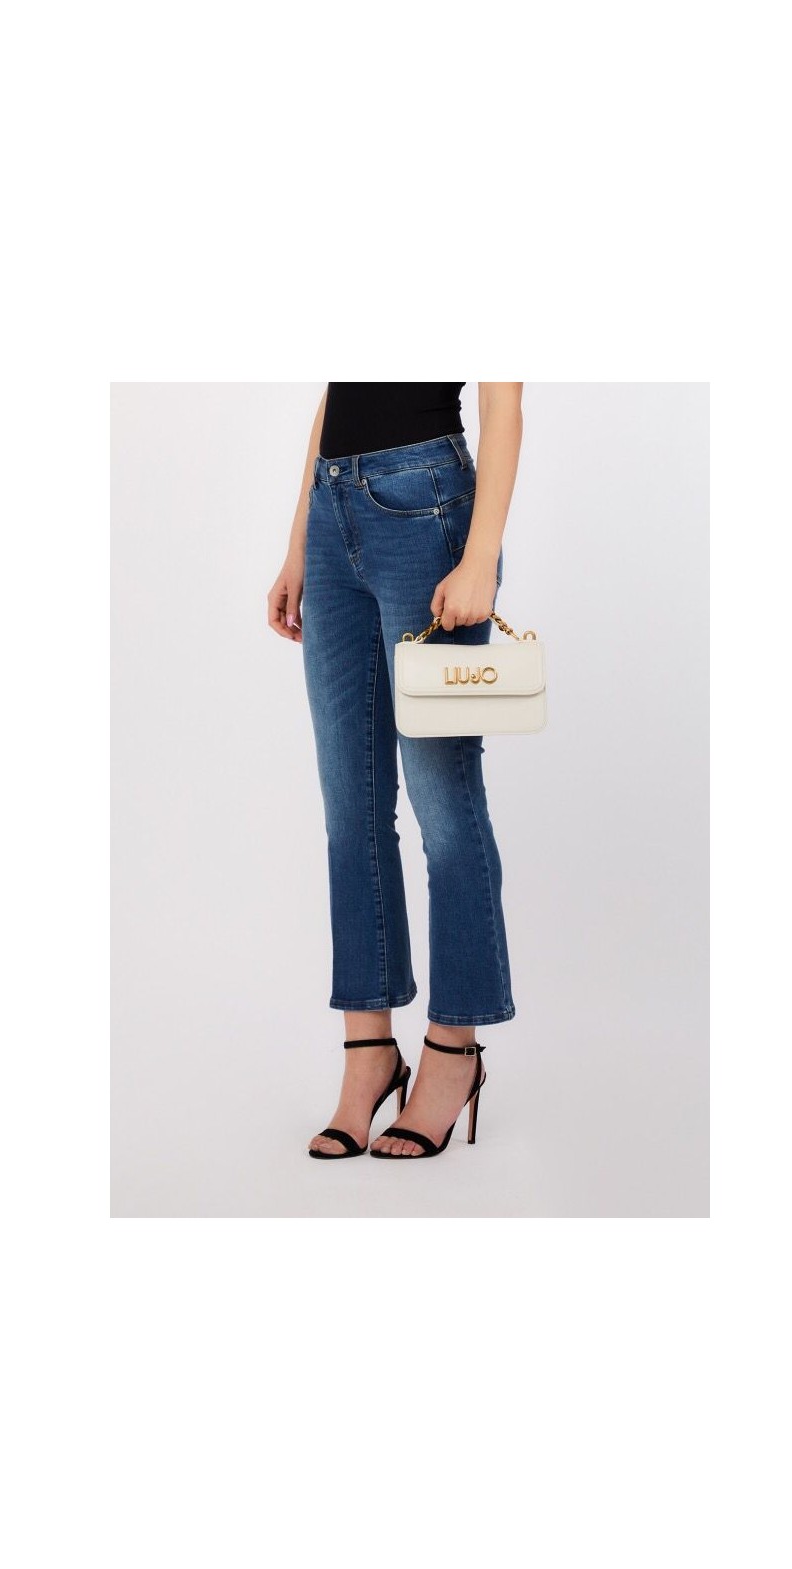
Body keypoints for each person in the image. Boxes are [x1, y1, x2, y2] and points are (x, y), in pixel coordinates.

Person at [267, 382, 524, 1160]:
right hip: (331, 508)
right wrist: (299, 542)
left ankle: (454, 1050)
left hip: (425, 509)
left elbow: (503, 402)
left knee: (445, 804)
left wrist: (480, 556)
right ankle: (369, 1052)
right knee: (350, 811)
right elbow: (336, 391)